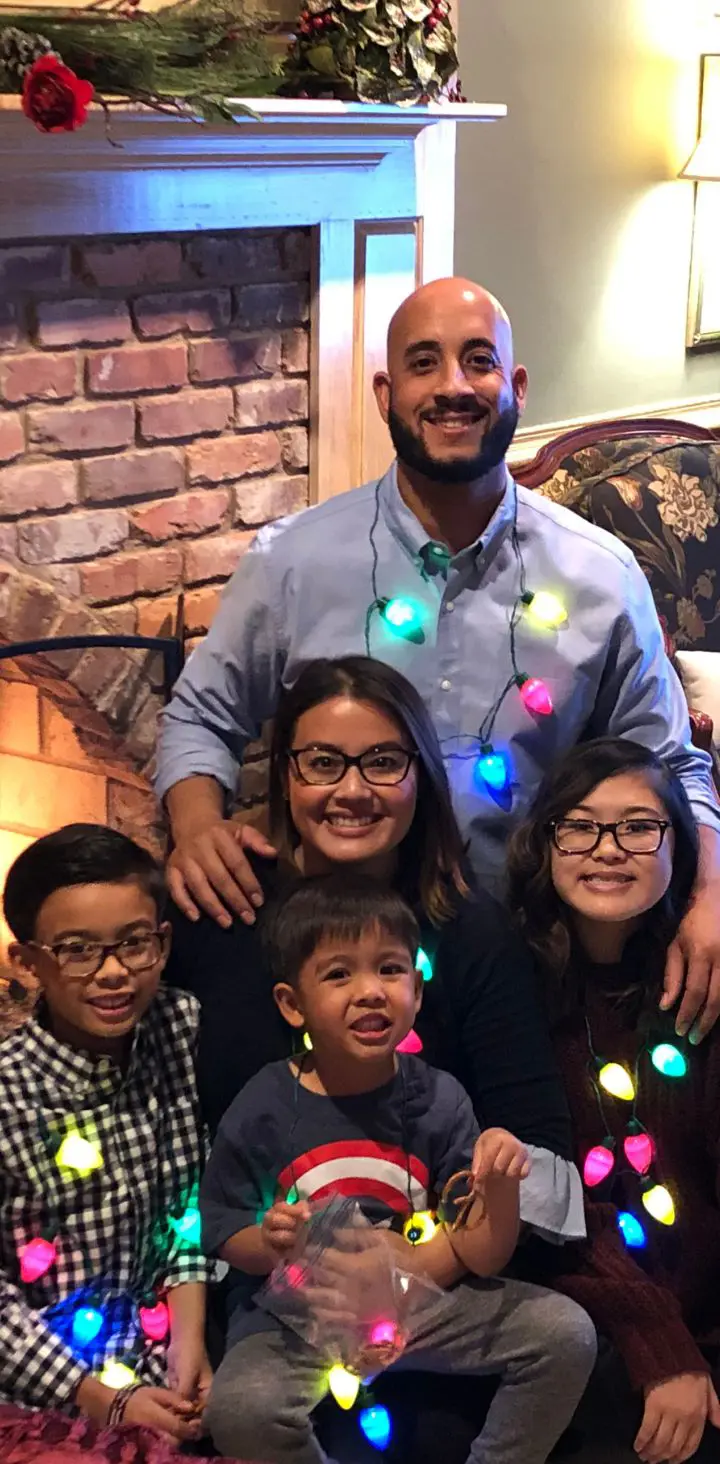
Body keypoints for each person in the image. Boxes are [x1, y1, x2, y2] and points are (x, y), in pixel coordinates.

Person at [155, 276, 720, 1041]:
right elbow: (199, 715)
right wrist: (196, 827)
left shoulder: (599, 574)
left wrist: (710, 895)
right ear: (386, 392)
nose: (453, 386)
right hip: (341, 963)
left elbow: (672, 762)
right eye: (425, 363)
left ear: (515, 385)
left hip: (533, 959)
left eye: (477, 361)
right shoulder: (296, 562)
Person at [166, 655, 583, 1254]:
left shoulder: (469, 930)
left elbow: (537, 1144)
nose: (353, 790)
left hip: (436, 1264)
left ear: (423, 776)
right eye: (323, 763)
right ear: (286, 775)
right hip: (256, 1274)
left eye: (384, 763)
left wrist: (414, 1277)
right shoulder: (226, 901)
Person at [199, 875, 597, 1464]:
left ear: (417, 986)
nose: (370, 992)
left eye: (390, 969)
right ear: (291, 1003)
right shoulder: (265, 1101)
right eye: (339, 975)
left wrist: (502, 1187)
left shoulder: (441, 1099)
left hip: (413, 1302)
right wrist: (271, 1242)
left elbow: (481, 1253)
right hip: (298, 1317)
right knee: (238, 1410)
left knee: (565, 1335)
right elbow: (222, 1225)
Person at [507, 739, 720, 1464]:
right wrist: (658, 1338)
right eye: (581, 826)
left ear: (677, 848)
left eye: (638, 827)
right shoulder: (511, 995)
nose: (609, 849)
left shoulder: (698, 991)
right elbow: (541, 1207)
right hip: (588, 1327)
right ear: (546, 842)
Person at [0, 825, 211, 1444]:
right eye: (77, 949)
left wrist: (189, 1345)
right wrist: (104, 1401)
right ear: (28, 960)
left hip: (156, 1360)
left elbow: (187, 1204)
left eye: (134, 943)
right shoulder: (9, 1095)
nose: (114, 972)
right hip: (40, 1391)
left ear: (163, 943)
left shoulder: (178, 1029)